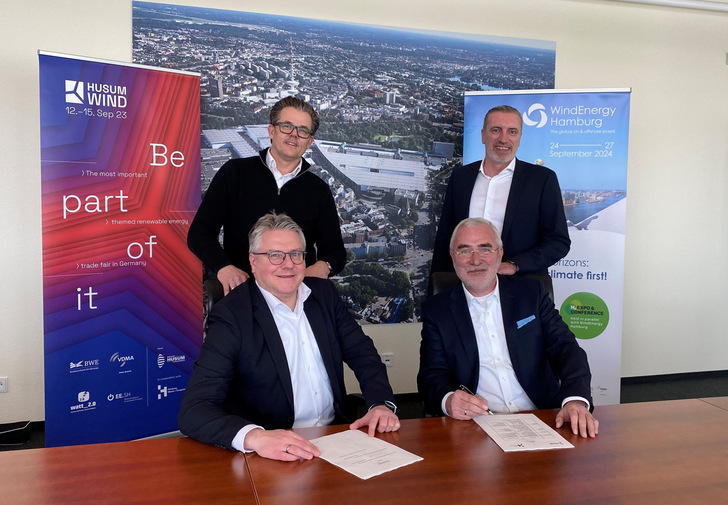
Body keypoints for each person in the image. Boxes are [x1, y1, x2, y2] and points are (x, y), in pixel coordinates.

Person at [178, 212, 400, 460]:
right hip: (272, 450)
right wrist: (256, 437)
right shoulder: (232, 315)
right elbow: (194, 409)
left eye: (296, 254)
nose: (288, 264)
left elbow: (363, 355)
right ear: (253, 261)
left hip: (337, 438)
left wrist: (380, 403)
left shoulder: (324, 296)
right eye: (274, 255)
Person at [418, 217, 598, 438]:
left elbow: (565, 348)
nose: (476, 260)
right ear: (452, 257)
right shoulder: (437, 311)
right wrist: (448, 400)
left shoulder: (531, 294)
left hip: (544, 417)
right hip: (478, 427)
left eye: (485, 249)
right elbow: (431, 375)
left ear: (500, 253)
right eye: (464, 251)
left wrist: (575, 399)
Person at [188, 96, 346, 295]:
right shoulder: (235, 173)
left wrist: (322, 267)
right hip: (243, 292)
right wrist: (224, 267)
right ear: (271, 131)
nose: (294, 135)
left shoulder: (319, 190)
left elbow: (335, 251)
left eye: (303, 130)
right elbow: (199, 233)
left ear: (309, 142)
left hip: (296, 295)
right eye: (286, 126)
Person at [430, 105, 570, 287]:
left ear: (519, 137)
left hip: (519, 289)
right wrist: (434, 296)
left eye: (512, 131)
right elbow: (445, 239)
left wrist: (514, 265)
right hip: (462, 290)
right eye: (496, 130)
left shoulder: (542, 179)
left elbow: (558, 241)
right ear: (483, 135)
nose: (503, 139)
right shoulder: (461, 177)